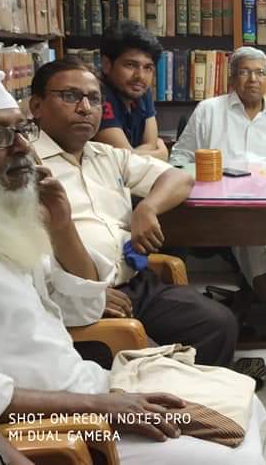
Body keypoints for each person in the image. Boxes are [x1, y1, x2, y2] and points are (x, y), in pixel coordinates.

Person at [0, 70, 266, 464]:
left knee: (240, 401)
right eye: (0, 136)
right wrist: (98, 406)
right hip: (49, 421)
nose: (22, 147)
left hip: (84, 385)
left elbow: (80, 311)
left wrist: (62, 225)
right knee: (229, 456)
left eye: (21, 131)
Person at [29, 59, 239, 367]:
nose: (85, 108)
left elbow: (179, 178)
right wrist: (83, 295)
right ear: (36, 106)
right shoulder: (25, 165)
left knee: (217, 324)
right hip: (72, 298)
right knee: (140, 365)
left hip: (134, 282)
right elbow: (24, 259)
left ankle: (197, 396)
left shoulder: (107, 156)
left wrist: (147, 208)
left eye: (94, 99)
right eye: (70, 96)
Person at [171, 46, 266, 340]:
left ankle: (256, 290)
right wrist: (205, 180)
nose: (252, 79)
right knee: (249, 232)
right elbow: (179, 158)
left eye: (259, 73)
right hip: (223, 208)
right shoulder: (208, 111)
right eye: (244, 72)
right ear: (231, 78)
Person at [95, 20, 168, 161]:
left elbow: (151, 144)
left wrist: (136, 153)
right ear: (106, 65)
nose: (140, 76)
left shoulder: (141, 90)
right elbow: (125, 160)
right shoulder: (97, 95)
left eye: (148, 68)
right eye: (130, 65)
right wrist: (161, 154)